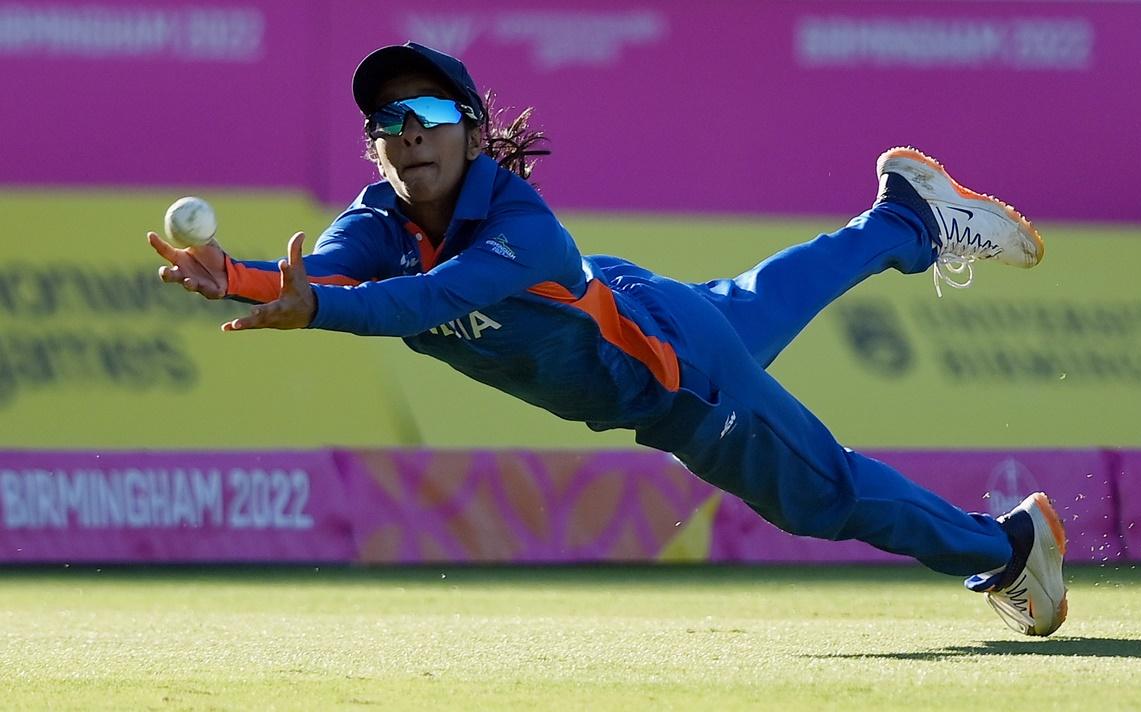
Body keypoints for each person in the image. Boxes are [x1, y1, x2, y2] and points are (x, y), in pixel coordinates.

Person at [149, 42, 1067, 636]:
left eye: (427, 117)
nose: (406, 136)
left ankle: (1009, 548)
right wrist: (236, 277)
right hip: (643, 312)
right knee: (752, 307)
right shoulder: (378, 218)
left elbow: (415, 304)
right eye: (387, 123)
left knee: (823, 496)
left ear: (470, 134)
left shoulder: (521, 226)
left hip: (676, 381)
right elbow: (328, 276)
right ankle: (905, 222)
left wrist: (311, 310)